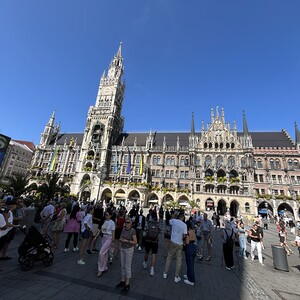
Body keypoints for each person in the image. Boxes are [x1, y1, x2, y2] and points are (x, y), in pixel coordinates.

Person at [163, 212, 187, 283]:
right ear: (183, 217)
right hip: (180, 243)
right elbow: (184, 236)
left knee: (169, 257)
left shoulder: (174, 221)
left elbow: (169, 220)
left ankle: (165, 273)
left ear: (178, 216)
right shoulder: (184, 225)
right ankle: (176, 277)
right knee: (179, 260)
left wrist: (174, 215)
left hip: (173, 241)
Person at [115, 217, 137, 292]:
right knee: (122, 265)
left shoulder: (132, 230)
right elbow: (120, 237)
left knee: (127, 266)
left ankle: (127, 283)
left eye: (128, 223)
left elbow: (135, 242)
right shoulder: (124, 229)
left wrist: (127, 241)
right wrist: (121, 240)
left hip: (129, 249)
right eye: (126, 222)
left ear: (131, 223)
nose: (126, 224)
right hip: (123, 249)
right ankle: (122, 280)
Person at [97, 209, 115, 277]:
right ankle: (104, 267)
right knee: (105, 253)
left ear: (110, 215)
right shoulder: (105, 221)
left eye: (107, 215)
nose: (106, 216)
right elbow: (102, 230)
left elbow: (113, 232)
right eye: (105, 215)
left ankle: (100, 269)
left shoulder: (112, 223)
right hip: (104, 237)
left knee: (101, 253)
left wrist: (113, 241)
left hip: (109, 238)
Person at [183, 220, 197, 285]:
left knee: (189, 263)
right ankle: (189, 275)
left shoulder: (188, 232)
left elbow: (187, 242)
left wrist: (183, 242)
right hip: (194, 247)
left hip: (189, 248)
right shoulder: (193, 231)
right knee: (191, 263)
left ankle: (191, 280)